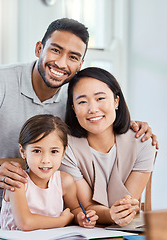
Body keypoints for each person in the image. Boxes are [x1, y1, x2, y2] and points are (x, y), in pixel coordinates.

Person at [0, 18, 157, 236]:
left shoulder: (75, 97)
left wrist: (131, 125)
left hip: (48, 209)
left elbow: (98, 119)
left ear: (80, 64)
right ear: (39, 48)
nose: (62, 63)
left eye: (73, 57)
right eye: (56, 50)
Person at [59, 67, 156, 227]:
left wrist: (120, 212)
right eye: (82, 102)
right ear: (74, 109)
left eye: (100, 98)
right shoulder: (65, 148)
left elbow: (127, 203)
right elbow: (87, 207)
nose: (93, 109)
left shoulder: (143, 142)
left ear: (116, 101)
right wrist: (111, 215)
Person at [0, 114, 98, 231]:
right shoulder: (17, 181)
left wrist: (81, 217)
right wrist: (61, 221)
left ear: (63, 152)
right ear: (23, 151)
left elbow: (73, 210)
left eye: (54, 151)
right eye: (37, 151)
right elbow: (25, 223)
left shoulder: (65, 181)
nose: (45, 160)